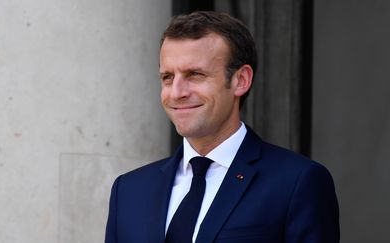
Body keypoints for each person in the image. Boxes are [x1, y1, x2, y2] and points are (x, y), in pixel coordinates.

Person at [105, 11, 339, 243]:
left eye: (194, 74)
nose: (176, 93)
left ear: (241, 80)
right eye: (167, 77)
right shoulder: (128, 191)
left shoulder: (298, 182)